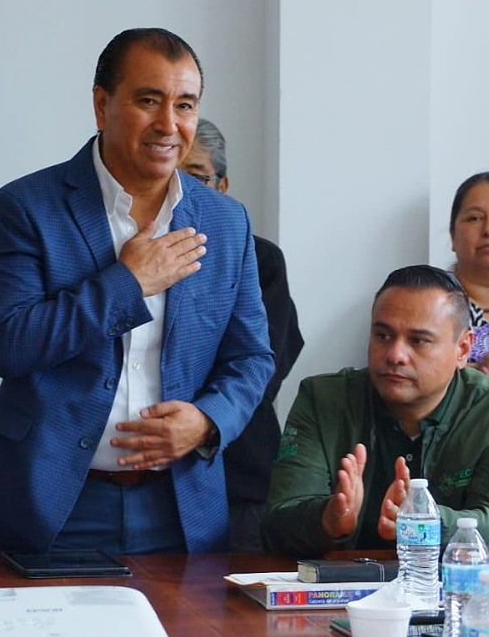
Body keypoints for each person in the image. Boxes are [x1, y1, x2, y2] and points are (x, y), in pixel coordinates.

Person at [0, 28, 274, 555]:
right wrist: (127, 284)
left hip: (180, 504)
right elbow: (10, 344)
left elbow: (251, 359)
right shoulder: (27, 207)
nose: (169, 124)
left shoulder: (227, 222)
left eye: (185, 105)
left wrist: (207, 421)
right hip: (54, 501)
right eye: (148, 101)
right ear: (102, 105)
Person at [262, 265, 489, 556]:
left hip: (452, 583)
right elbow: (275, 526)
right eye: (383, 335)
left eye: (418, 341)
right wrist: (328, 520)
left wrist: (423, 522)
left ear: (463, 348)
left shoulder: (483, 410)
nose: (395, 355)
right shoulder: (324, 400)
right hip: (341, 584)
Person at [181, 118, 304, 551]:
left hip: (238, 470)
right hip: (146, 467)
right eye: (171, 176)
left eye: (196, 177)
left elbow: (262, 368)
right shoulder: (132, 257)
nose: (182, 191)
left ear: (223, 185)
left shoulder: (261, 259)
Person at [450, 171, 489, 373]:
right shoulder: (426, 305)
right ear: (452, 234)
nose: (488, 229)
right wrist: (474, 374)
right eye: (475, 218)